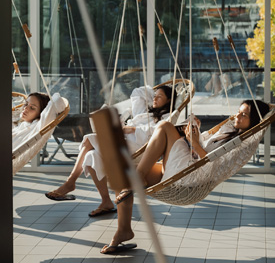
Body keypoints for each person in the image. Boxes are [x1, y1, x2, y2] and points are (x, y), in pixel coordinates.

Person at [100, 99, 269, 254]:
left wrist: (193, 142)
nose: (237, 116)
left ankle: (137, 179)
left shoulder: (240, 144)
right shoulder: (229, 131)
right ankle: (124, 230)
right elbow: (204, 147)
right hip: (188, 165)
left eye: (244, 114)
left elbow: (213, 166)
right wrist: (193, 133)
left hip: (190, 175)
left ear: (254, 121)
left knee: (165, 127)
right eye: (238, 111)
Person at [45, 85, 177, 217]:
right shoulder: (145, 110)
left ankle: (70, 182)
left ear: (169, 100)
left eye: (159, 97)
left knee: (89, 140)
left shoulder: (168, 115)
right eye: (154, 96)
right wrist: (154, 92)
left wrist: (132, 129)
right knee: (91, 156)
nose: (155, 99)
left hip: (139, 146)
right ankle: (106, 202)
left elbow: (160, 133)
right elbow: (138, 92)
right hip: (122, 140)